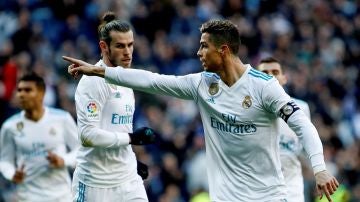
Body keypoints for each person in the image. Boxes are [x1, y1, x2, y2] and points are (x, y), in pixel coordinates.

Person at [63, 19, 339, 202]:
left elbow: (303, 124)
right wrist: (100, 71)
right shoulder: (202, 84)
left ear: (223, 50)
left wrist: (320, 168)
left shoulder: (264, 87)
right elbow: (152, 80)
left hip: (269, 196)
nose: (198, 53)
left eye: (204, 47)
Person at [69, 12, 156, 202]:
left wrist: (132, 159)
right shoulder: (92, 83)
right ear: (104, 46)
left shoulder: (125, 78)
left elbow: (117, 127)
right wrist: (131, 138)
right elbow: (88, 135)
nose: (128, 52)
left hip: (127, 178)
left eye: (130, 45)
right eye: (120, 46)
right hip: (95, 184)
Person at [0, 72, 79, 202]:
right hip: (27, 196)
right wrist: (12, 174)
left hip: (60, 196)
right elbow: (4, 160)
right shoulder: (10, 126)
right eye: (19, 90)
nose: (22, 95)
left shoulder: (62, 118)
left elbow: (80, 150)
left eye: (28, 90)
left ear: (41, 93)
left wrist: (63, 160)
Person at [258, 57, 311, 202]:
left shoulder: (301, 108)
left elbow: (304, 148)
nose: (270, 76)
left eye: (275, 72)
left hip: (292, 191)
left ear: (284, 78)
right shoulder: (248, 111)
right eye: (264, 72)